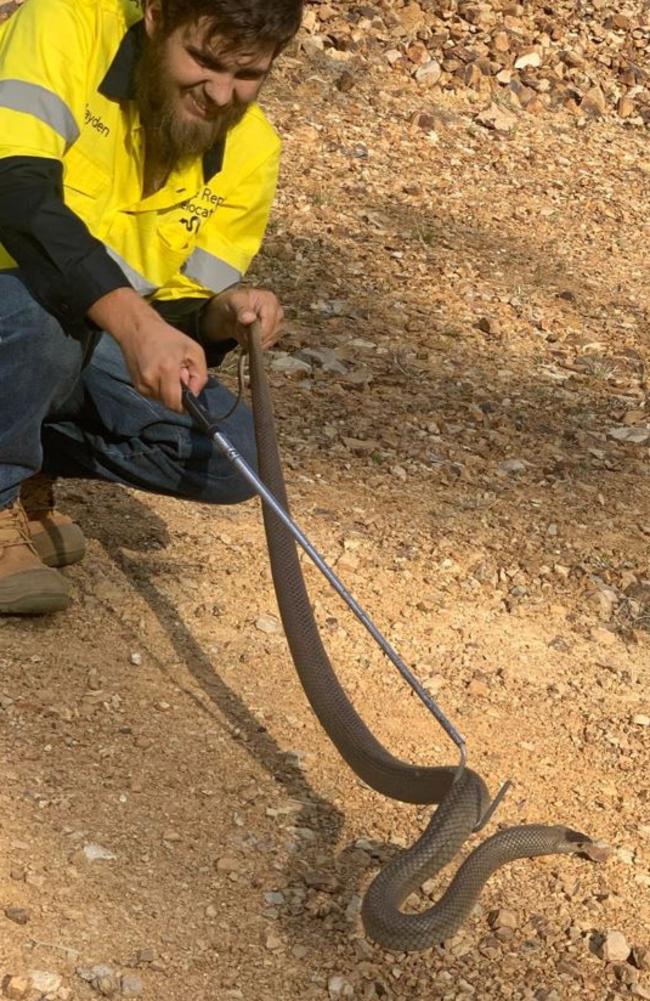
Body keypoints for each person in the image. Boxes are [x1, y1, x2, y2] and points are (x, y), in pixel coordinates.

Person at [0, 0, 303, 614]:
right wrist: (130, 321)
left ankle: (20, 462)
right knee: (53, 305)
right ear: (157, 15)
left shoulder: (252, 150)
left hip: (61, 340)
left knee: (233, 456)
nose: (222, 94)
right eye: (206, 60)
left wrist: (221, 317)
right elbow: (15, 191)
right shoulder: (64, 24)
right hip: (21, 310)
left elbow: (175, 312)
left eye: (249, 75)